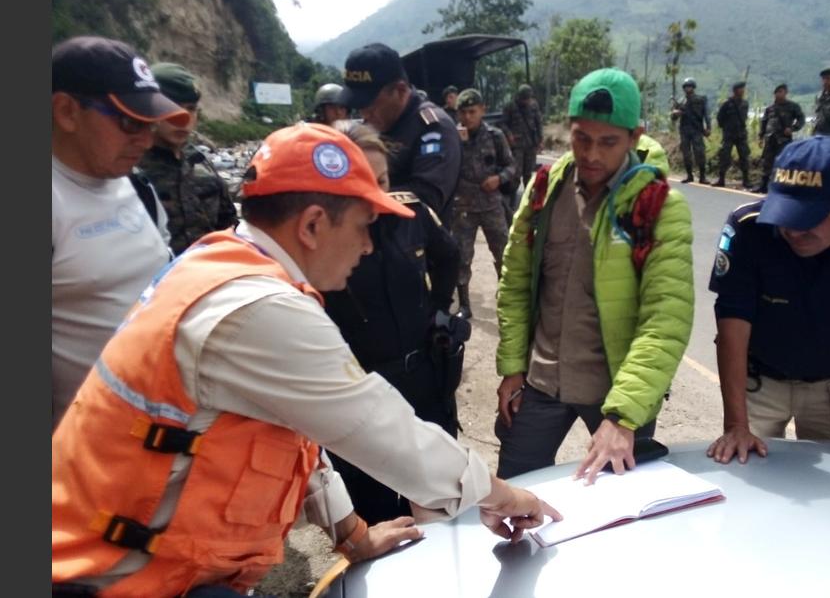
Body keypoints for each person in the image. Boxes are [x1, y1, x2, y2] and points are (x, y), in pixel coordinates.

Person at [52, 123, 560, 597]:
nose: (368, 246)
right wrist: (510, 498)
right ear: (314, 224)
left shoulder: (226, 265)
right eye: (365, 226)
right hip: (106, 577)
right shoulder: (260, 308)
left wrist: (353, 536)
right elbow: (384, 431)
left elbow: (297, 438)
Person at [495, 68, 694, 484]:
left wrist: (623, 417)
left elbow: (665, 319)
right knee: (513, 496)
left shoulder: (659, 205)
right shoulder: (545, 189)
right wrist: (513, 368)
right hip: (540, 382)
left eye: (608, 142)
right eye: (581, 138)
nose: (591, 155)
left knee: (625, 512)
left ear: (634, 137)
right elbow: (514, 282)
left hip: (616, 392)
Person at [706, 136, 830, 464]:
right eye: (787, 214)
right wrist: (736, 424)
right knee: (749, 481)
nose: (794, 230)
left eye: (810, 217)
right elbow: (732, 324)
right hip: (759, 384)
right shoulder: (750, 228)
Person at [322, 120, 467, 524]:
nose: (376, 194)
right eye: (361, 181)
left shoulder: (412, 211)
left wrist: (439, 306)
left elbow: (449, 255)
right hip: (362, 391)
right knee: (378, 508)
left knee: (441, 495)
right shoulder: (321, 237)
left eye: (382, 179)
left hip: (423, 378)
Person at [51, 36, 188, 429]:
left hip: (163, 434)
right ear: (66, 112)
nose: (145, 140)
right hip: (85, 455)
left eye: (149, 124)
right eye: (129, 122)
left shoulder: (138, 188)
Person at [341, 42, 461, 226]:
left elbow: (426, 199)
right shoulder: (372, 126)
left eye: (372, 105)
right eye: (359, 107)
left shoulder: (433, 127)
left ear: (400, 90)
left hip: (415, 248)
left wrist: (355, 201)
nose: (365, 115)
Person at [137, 62, 239, 256]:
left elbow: (230, 230)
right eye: (172, 107)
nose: (182, 118)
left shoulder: (202, 167)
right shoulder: (131, 172)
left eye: (190, 109)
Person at [451, 88, 515, 319]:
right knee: (462, 257)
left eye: (472, 111)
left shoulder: (495, 136)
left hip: (491, 205)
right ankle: (464, 305)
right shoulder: (453, 137)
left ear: (482, 111)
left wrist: (499, 178)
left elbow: (511, 166)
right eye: (463, 112)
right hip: (463, 208)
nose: (467, 117)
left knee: (504, 254)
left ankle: (507, 299)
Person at [501, 83, 543, 224]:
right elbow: (503, 123)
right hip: (517, 146)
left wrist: (540, 139)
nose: (526, 101)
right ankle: (512, 204)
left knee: (529, 175)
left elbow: (538, 122)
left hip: (530, 144)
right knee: (515, 175)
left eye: (528, 99)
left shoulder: (533, 105)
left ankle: (531, 204)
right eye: (524, 99)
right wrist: (509, 135)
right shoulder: (510, 106)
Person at [755, 83, 805, 193]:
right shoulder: (770, 108)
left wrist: (792, 128)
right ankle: (763, 186)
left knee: (783, 163)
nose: (779, 94)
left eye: (781, 92)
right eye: (777, 92)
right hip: (770, 138)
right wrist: (761, 136)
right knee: (767, 162)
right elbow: (764, 123)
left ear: (786, 93)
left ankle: (780, 187)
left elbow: (801, 119)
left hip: (783, 140)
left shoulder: (792, 107)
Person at [670, 77, 711, 184]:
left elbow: (706, 114)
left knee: (700, 153)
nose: (688, 89)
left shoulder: (701, 99)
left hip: (697, 129)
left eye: (690, 86)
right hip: (685, 130)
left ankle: (702, 176)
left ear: (693, 87)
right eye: (686, 87)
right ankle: (689, 176)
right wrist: (676, 114)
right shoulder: (680, 101)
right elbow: (673, 118)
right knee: (686, 154)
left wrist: (708, 127)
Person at [715, 81, 750, 188]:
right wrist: (726, 128)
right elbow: (720, 118)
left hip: (741, 134)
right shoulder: (727, 103)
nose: (743, 91)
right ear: (735, 91)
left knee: (744, 157)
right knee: (724, 156)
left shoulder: (745, 104)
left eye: (743, 89)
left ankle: (746, 180)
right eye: (740, 89)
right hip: (729, 134)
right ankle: (721, 179)